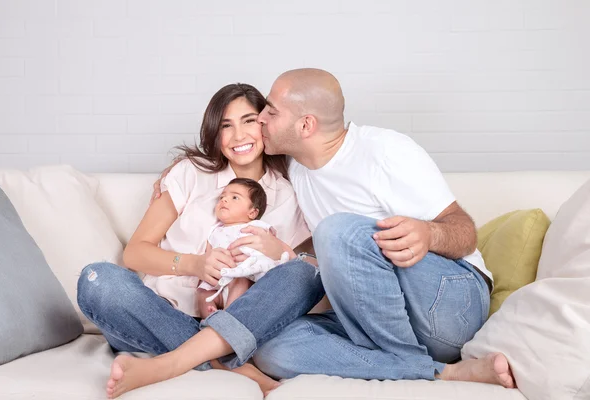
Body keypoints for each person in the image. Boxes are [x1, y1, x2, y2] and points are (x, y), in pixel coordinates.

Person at [101, 69, 515, 398]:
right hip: (374, 320)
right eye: (235, 123)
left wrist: (428, 234)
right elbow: (317, 264)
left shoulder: (382, 152)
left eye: (266, 114)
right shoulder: (294, 172)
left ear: (305, 124)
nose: (259, 123)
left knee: (331, 236)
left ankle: (176, 361)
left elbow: (462, 231)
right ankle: (433, 372)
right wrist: (181, 171)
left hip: (445, 301)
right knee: (271, 348)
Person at [76, 83, 322, 399]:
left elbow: (294, 283)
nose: (239, 136)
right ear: (214, 133)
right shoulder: (190, 173)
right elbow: (135, 253)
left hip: (238, 318)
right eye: (226, 125)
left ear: (265, 124)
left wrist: (284, 253)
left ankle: (175, 362)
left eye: (249, 121)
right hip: (158, 314)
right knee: (98, 280)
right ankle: (227, 362)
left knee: (302, 273)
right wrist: (194, 264)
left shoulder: (287, 194)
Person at [196, 177, 288, 318]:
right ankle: (209, 317)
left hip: (243, 278)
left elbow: (272, 246)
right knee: (202, 292)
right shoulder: (214, 230)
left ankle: (227, 317)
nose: (224, 200)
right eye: (222, 197)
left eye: (234, 197)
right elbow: (208, 254)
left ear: (252, 213)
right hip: (219, 281)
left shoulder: (256, 227)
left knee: (241, 280)